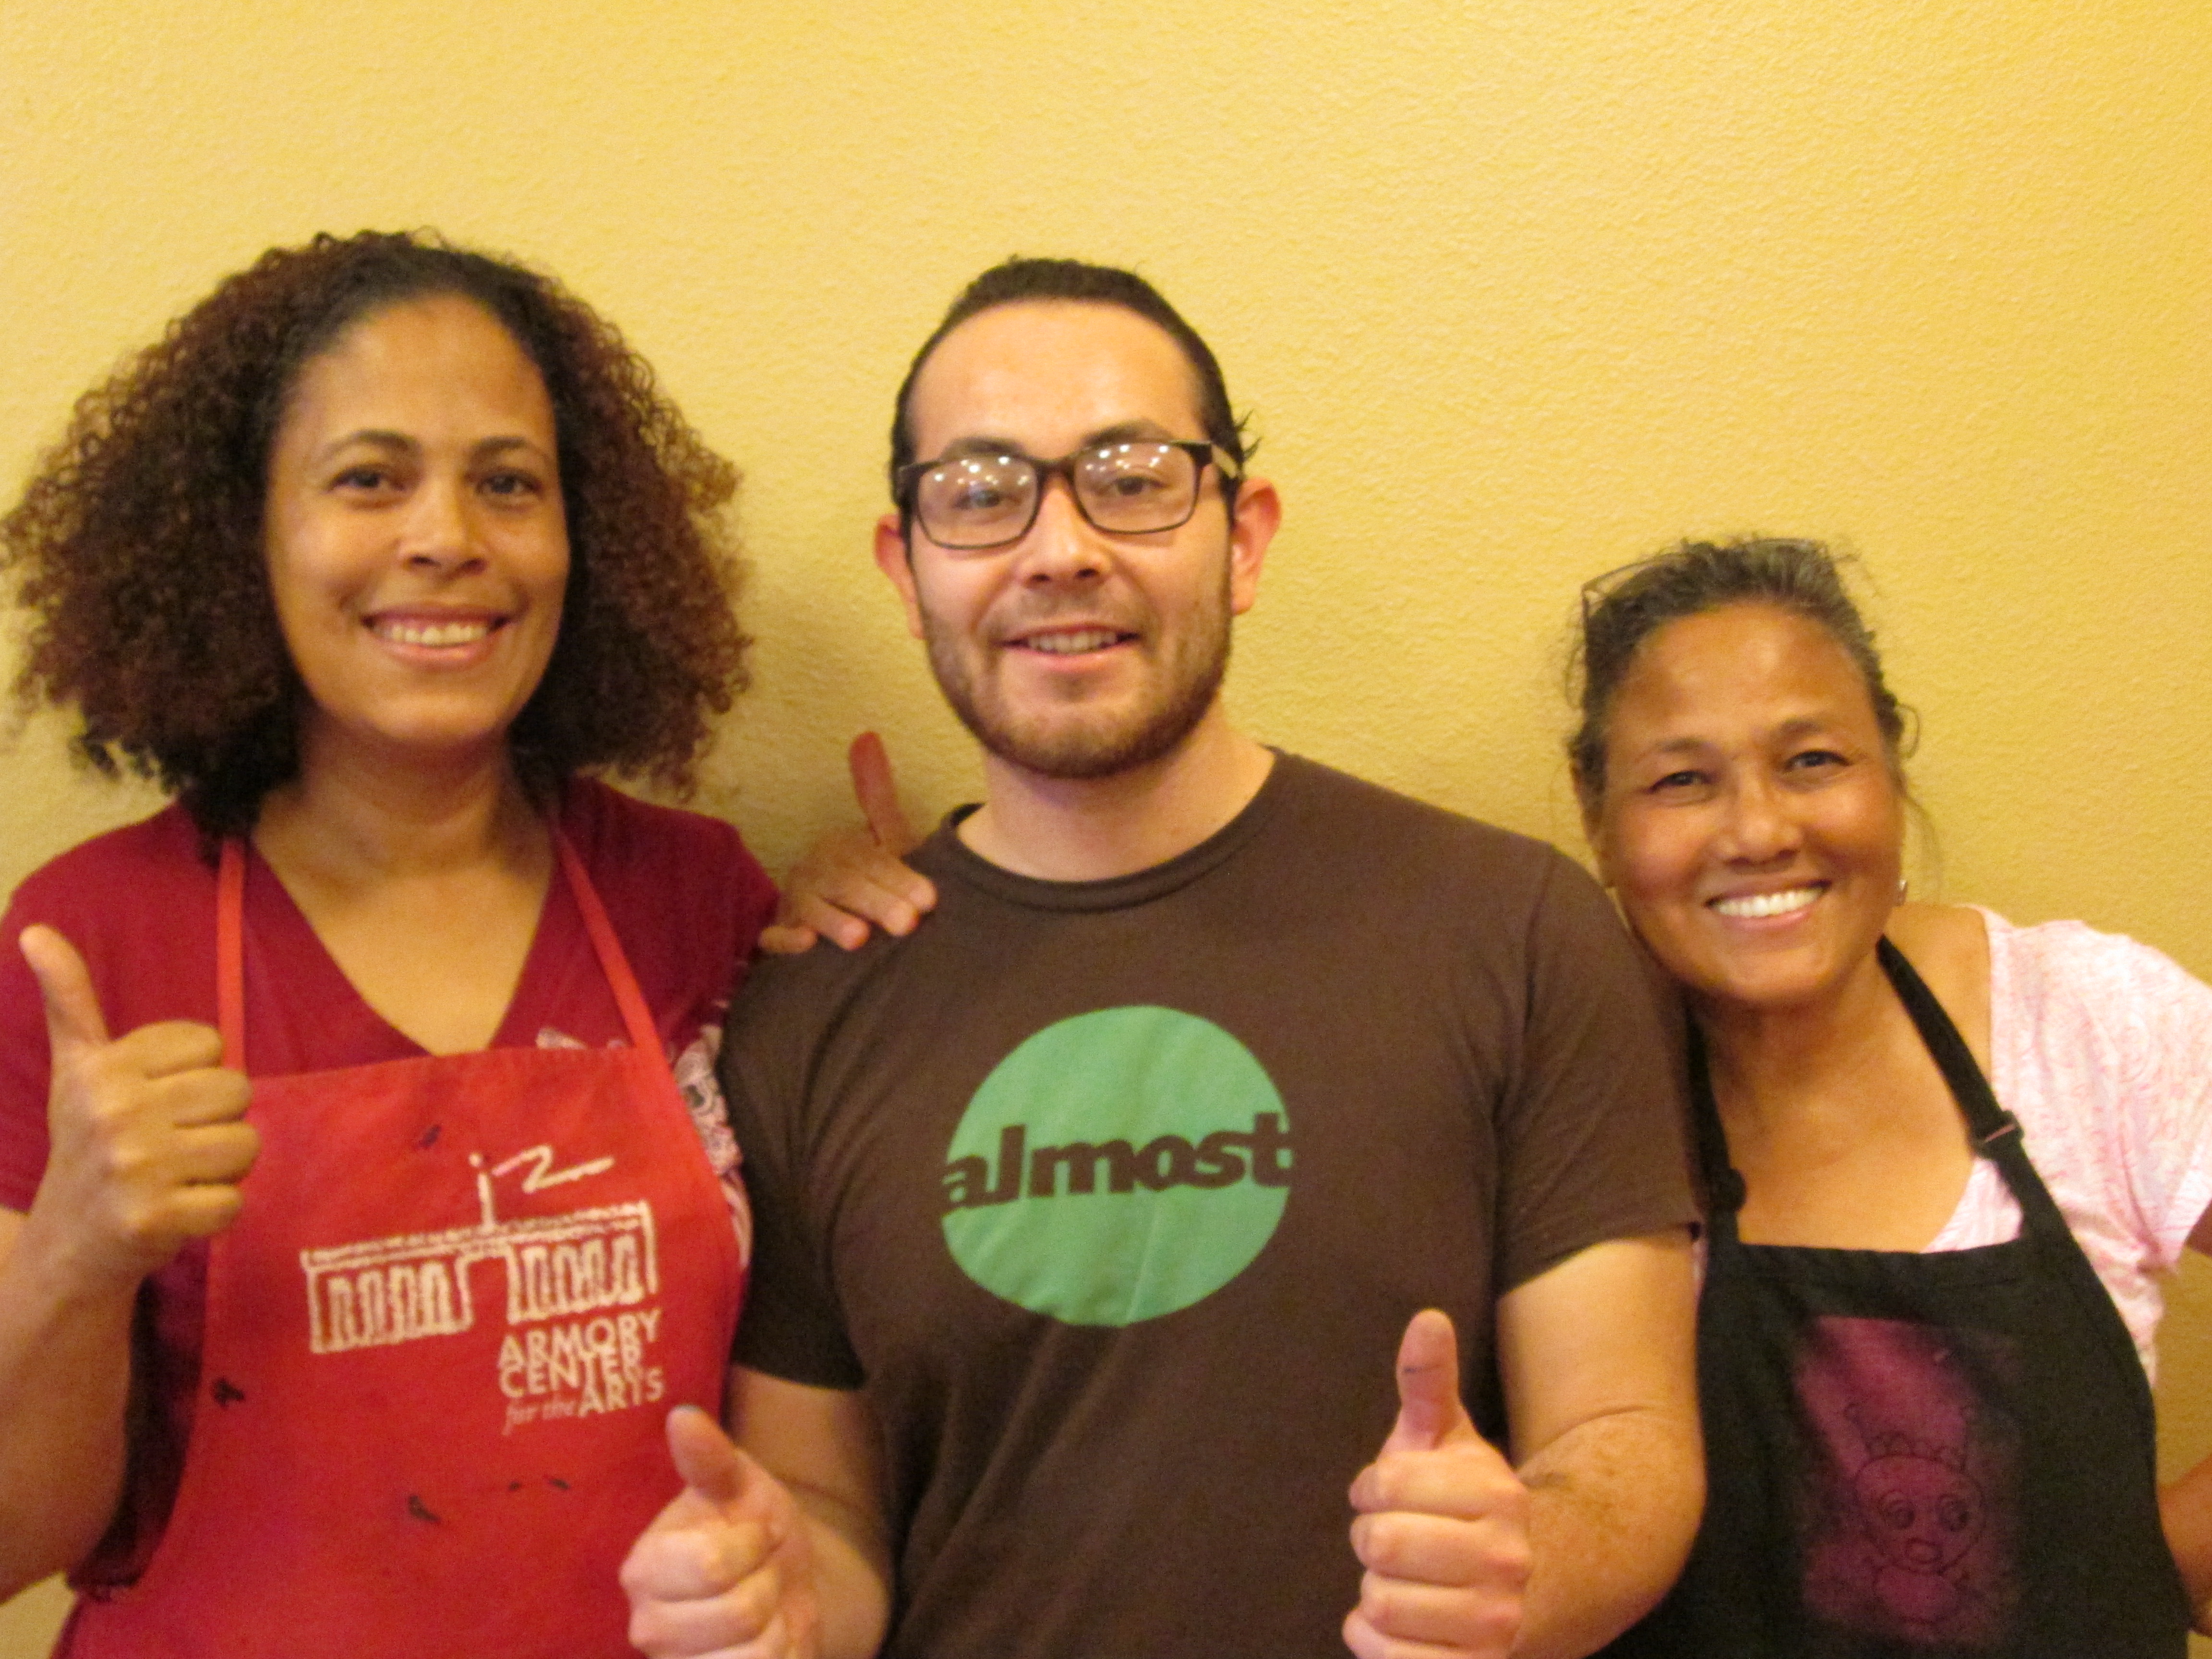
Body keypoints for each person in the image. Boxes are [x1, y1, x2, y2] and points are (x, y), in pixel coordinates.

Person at [621, 257, 1705, 1659]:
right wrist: (774, 1603)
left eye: (1131, 480)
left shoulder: (1516, 930)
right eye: (981, 493)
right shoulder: (814, 1000)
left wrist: (1529, 1563)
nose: (1060, 549)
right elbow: (828, 1509)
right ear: (908, 567)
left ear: (1242, 540)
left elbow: (1625, 1439)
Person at [0, 230, 879, 1657]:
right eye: (369, 478)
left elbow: (812, 1427)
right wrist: (71, 1259)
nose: (447, 537)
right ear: (243, 535)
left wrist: (883, 918)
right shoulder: (91, 941)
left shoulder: (694, 896)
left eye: (508, 484)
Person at [1567, 538, 2212, 1655]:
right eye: (1682, 781)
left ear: (1892, 775)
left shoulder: (2083, 1021)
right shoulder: (1560, 1088)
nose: (1760, 831)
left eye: (1812, 761)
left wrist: (2157, 1556)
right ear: (1599, 819)